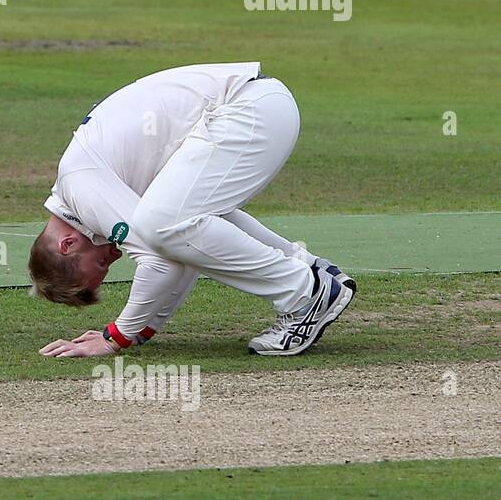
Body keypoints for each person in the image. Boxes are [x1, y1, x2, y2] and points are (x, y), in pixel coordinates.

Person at [30, 62, 355, 358]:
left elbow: (160, 259)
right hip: (260, 104)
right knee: (175, 223)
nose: (114, 257)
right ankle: (314, 272)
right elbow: (179, 254)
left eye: (101, 261)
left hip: (248, 110)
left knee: (161, 224)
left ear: (67, 244)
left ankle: (307, 292)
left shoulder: (79, 185)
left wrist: (116, 337)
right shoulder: (89, 181)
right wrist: (142, 329)